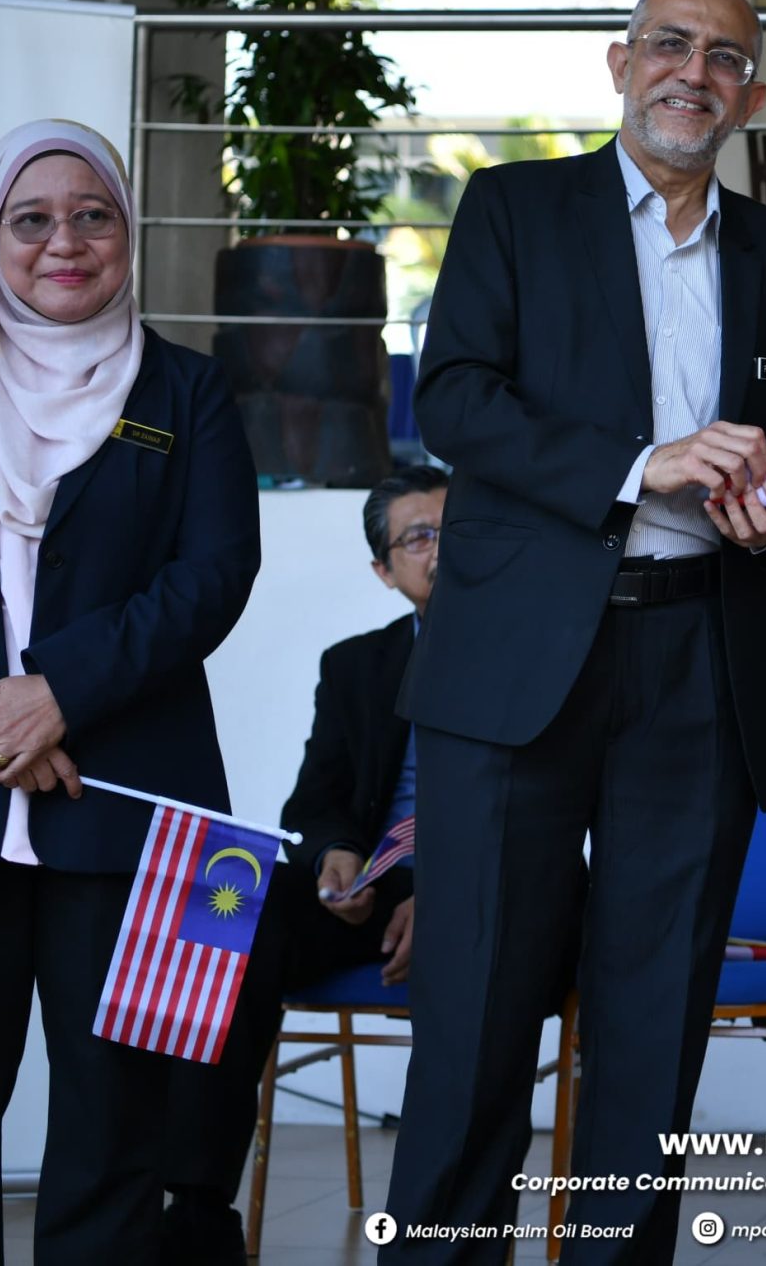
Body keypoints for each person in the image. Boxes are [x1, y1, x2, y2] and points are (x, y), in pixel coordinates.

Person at [382, 0, 766, 1261]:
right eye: (668, 45)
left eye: (724, 58)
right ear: (618, 61)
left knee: (653, 1026)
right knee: (475, 1009)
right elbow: (455, 399)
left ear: (752, 95)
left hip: (701, 654)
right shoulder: (515, 208)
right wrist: (642, 462)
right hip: (517, 662)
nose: (691, 73)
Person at [0, 119, 259, 1263]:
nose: (65, 241)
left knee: (118, 1128)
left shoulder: (188, 391)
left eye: (94, 215)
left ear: (128, 232)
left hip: (131, 816)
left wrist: (60, 694)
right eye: (33, 219)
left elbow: (212, 575)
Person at [160, 463, 537, 1264]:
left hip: (497, 881)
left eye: (456, 529)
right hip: (378, 877)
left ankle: (445, 1222)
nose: (441, 549)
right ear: (385, 569)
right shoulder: (356, 666)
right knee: (227, 899)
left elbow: (542, 809)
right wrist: (336, 855)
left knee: (484, 919)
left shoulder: (540, 653)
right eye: (419, 537)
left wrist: (444, 890)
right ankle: (191, 1204)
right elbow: (316, 799)